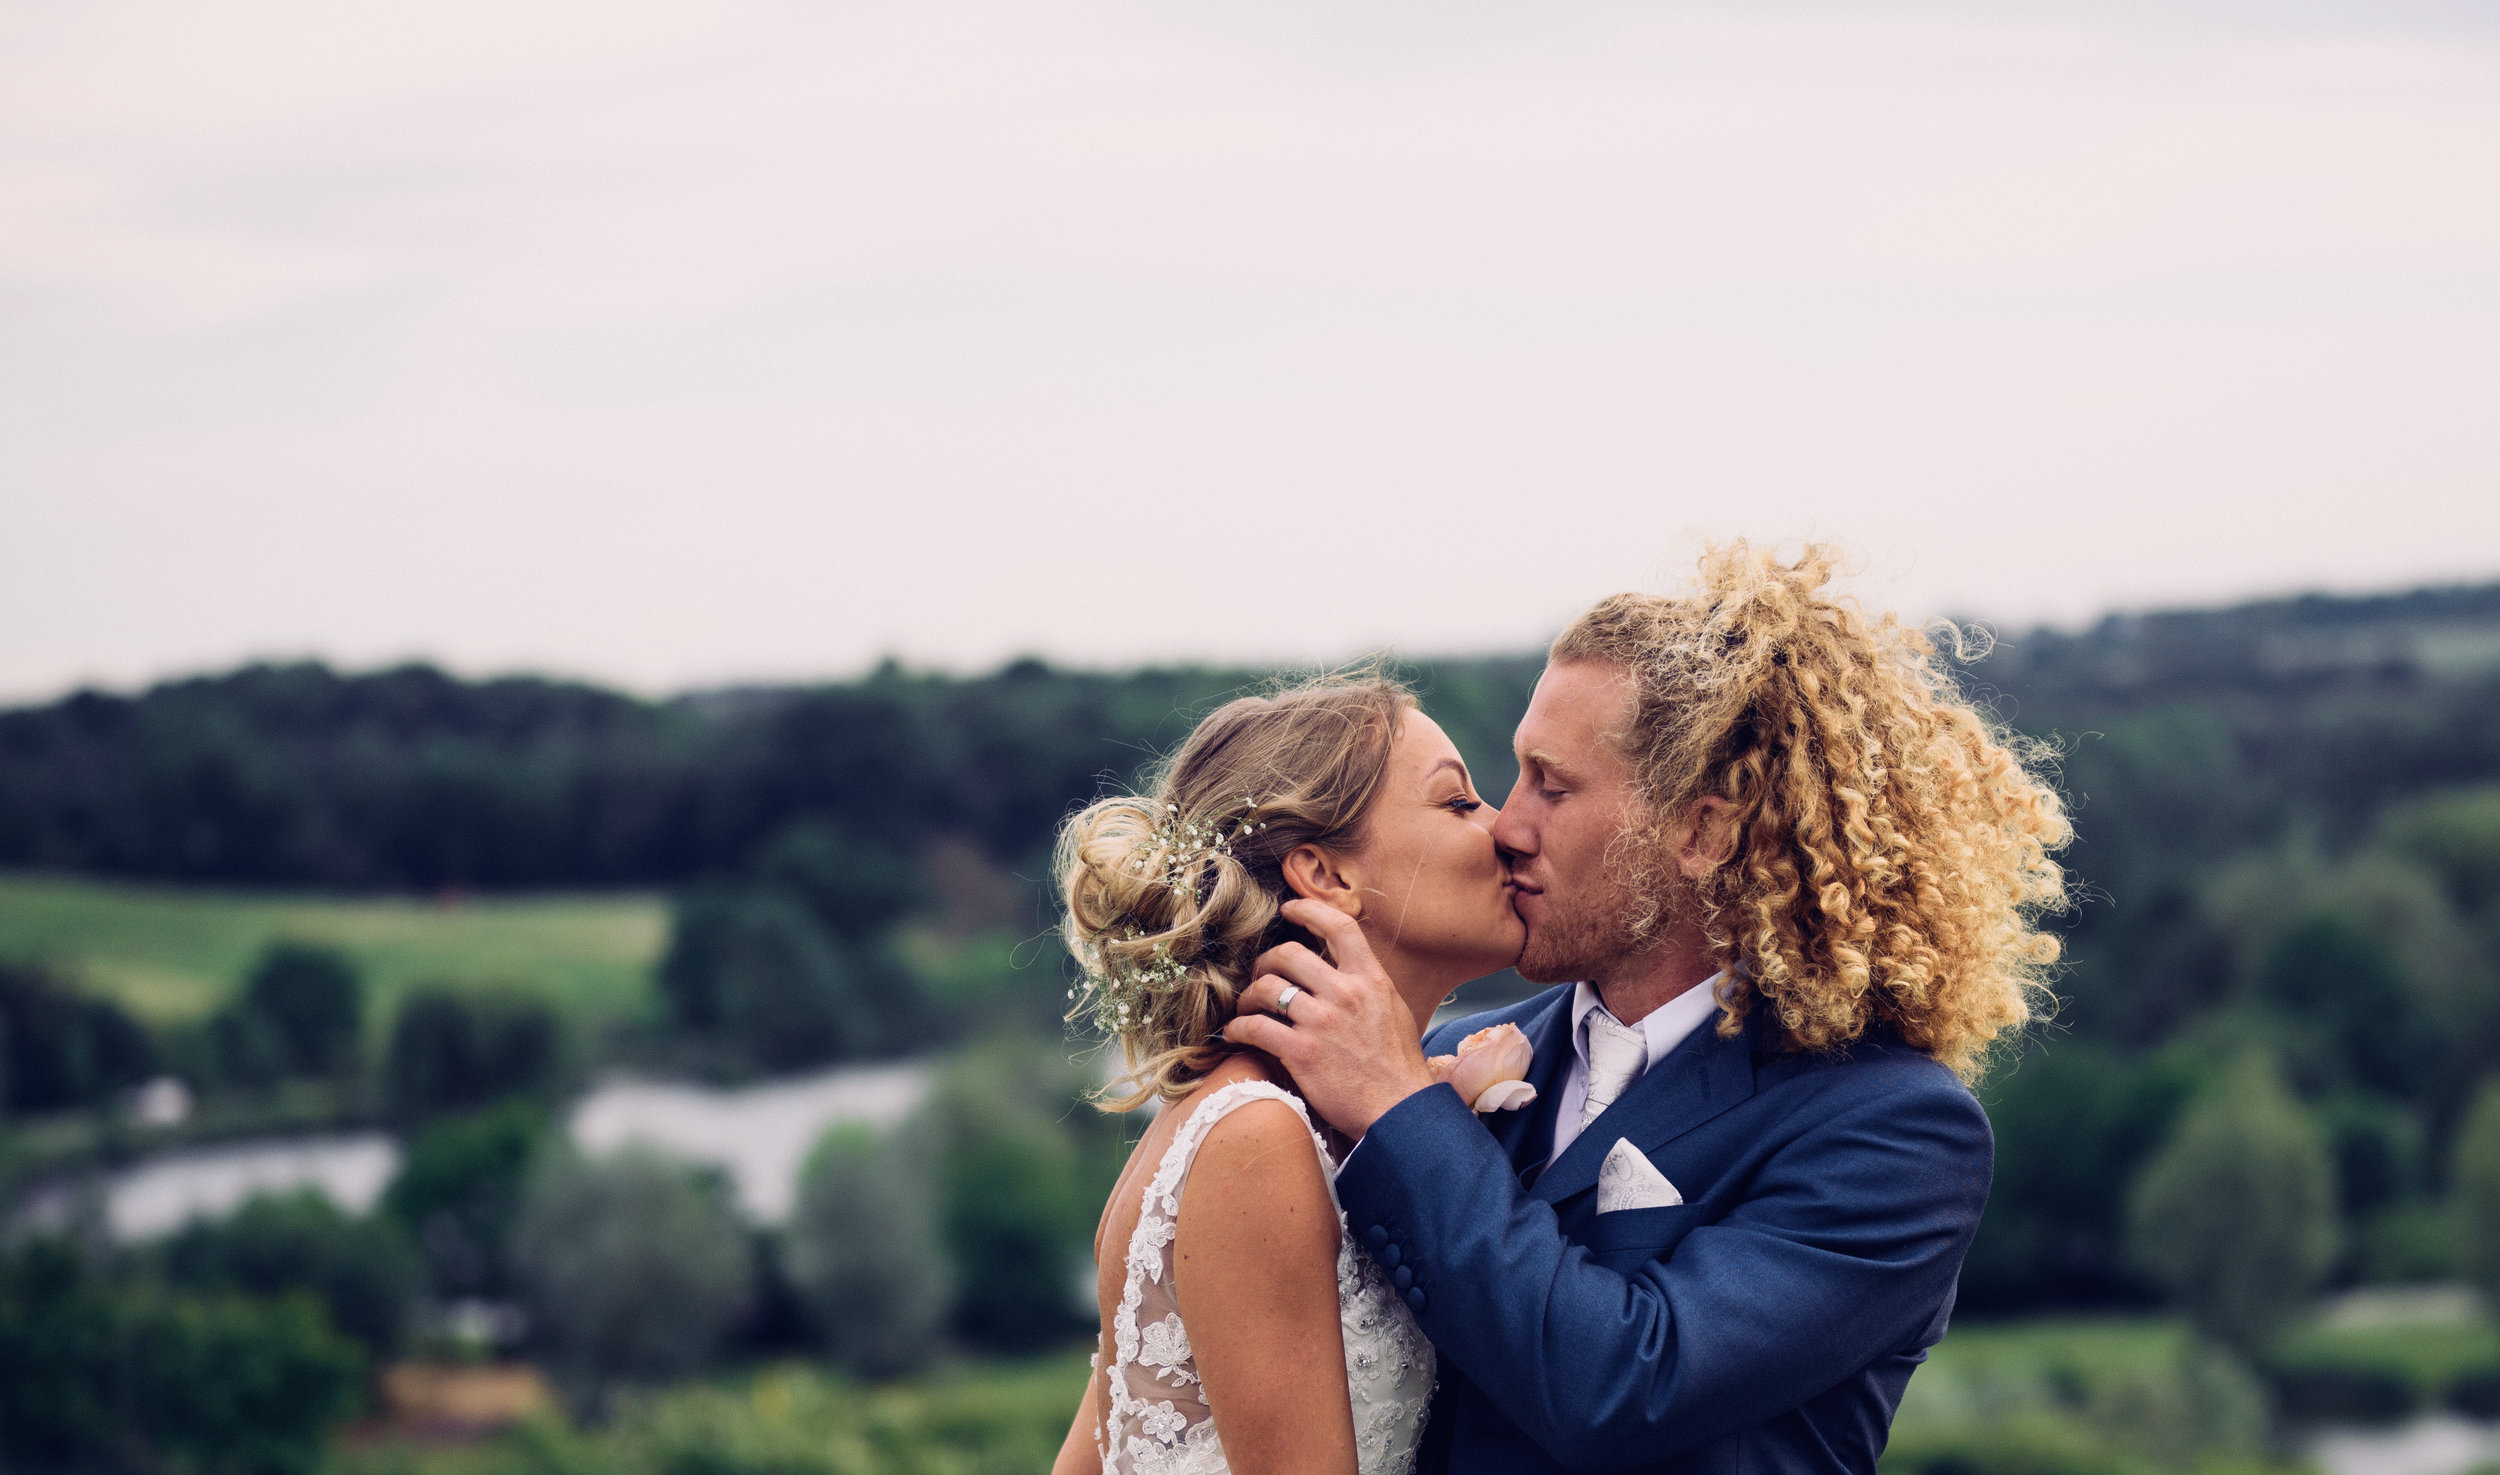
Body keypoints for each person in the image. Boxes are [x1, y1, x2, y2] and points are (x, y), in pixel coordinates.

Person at [1222, 544, 2073, 1474]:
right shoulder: (1449, 1057)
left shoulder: (1895, 1130)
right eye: (1513, 777)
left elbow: (1625, 1383)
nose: (1507, 824)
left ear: (1700, 831)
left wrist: (1400, 1111)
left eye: (1553, 784)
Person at [1050, 671, 1529, 1475]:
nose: (1506, 827)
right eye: (1459, 802)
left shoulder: (1288, 1122)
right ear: (1327, 874)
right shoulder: (1253, 1135)